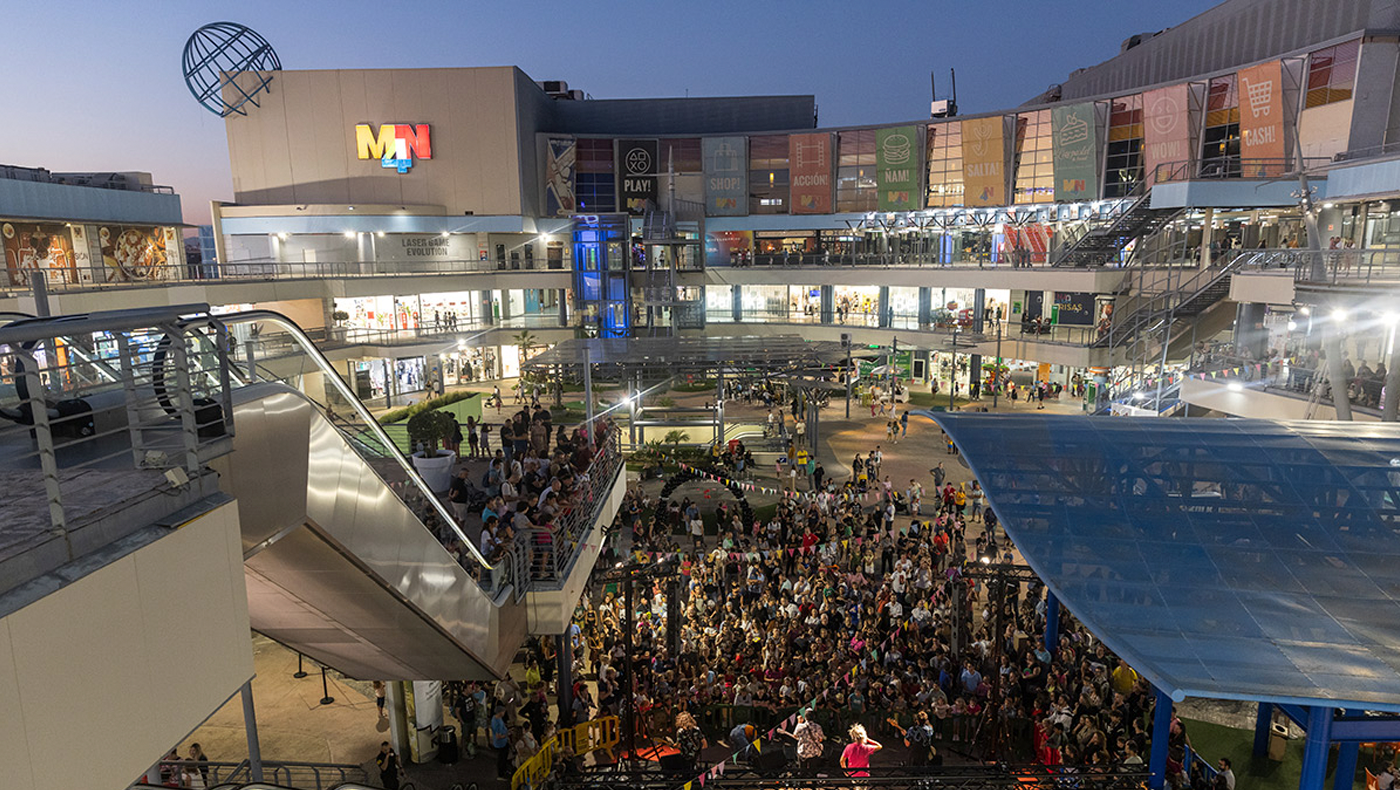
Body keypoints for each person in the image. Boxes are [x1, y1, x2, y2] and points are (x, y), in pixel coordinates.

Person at [491, 707, 512, 778]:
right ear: (500, 712)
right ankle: (501, 774)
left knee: (504, 757)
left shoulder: (498, 718)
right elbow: (498, 736)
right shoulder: (495, 722)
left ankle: (504, 769)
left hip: (504, 742)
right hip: (500, 743)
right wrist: (507, 735)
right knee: (501, 758)